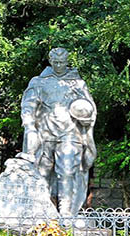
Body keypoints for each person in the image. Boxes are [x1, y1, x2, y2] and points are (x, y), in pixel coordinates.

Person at [18, 47, 97, 216]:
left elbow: (89, 108)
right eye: (56, 62)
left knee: (67, 171)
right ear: (50, 61)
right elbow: (28, 105)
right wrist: (29, 126)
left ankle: (66, 212)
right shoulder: (39, 81)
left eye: (62, 62)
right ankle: (40, 212)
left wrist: (86, 118)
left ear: (67, 62)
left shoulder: (78, 84)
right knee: (42, 172)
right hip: (45, 133)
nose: (59, 65)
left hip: (70, 133)